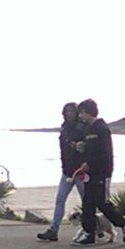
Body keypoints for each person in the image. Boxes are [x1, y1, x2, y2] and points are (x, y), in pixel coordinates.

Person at [73, 99, 125, 245]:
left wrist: (90, 163)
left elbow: (104, 152)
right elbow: (89, 149)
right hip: (89, 173)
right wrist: (81, 148)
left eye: (81, 113)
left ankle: (123, 223)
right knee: (87, 203)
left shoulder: (101, 128)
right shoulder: (87, 129)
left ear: (88, 112)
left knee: (102, 202)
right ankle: (89, 233)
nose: (80, 116)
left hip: (102, 172)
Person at [37, 103, 86, 241]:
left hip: (80, 171)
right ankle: (53, 231)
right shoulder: (64, 128)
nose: (69, 113)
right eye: (67, 111)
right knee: (60, 200)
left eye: (71, 111)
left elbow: (88, 148)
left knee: (87, 202)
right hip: (67, 171)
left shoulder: (82, 127)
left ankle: (93, 229)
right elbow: (63, 150)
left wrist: (79, 149)